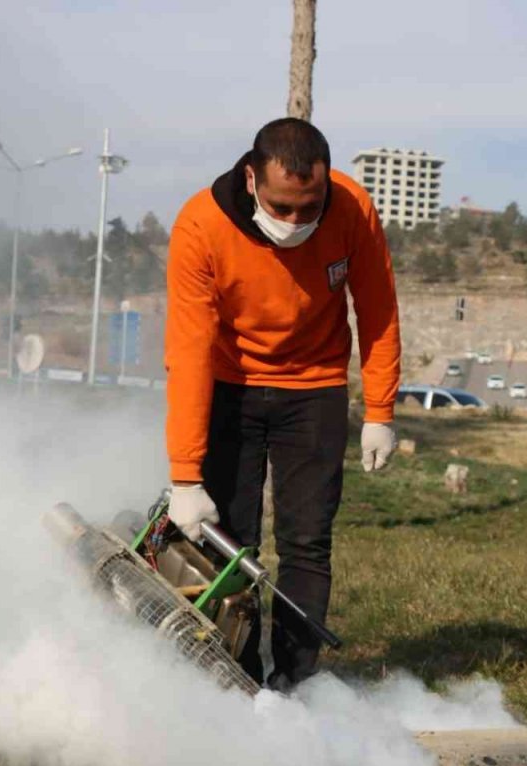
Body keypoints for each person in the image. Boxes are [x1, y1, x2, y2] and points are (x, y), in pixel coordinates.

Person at [164, 118, 401, 691]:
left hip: (315, 387)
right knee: (227, 540)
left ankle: (295, 686)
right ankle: (234, 680)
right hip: (231, 383)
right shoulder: (201, 225)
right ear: (251, 180)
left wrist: (380, 411)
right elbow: (189, 352)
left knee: (307, 541)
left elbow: (378, 308)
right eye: (281, 207)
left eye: (309, 208)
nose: (295, 221)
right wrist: (185, 476)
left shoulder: (352, 208)